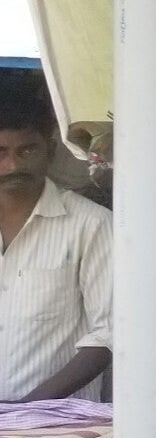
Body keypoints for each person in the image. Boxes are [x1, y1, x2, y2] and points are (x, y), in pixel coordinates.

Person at [0, 88, 111, 406]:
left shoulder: (91, 224)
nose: (12, 166)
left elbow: (110, 334)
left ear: (49, 149)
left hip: (57, 423)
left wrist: (27, 410)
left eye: (26, 151)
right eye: (0, 152)